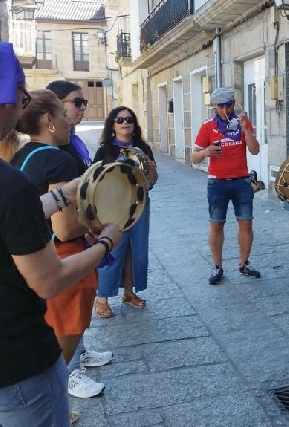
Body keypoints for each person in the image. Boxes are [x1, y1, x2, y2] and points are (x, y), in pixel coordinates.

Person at [0, 42, 121, 427]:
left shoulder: (17, 170)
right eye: (20, 95)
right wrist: (106, 242)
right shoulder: (11, 184)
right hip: (18, 365)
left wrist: (63, 193)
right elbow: (48, 280)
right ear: (6, 102)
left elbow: (11, 219)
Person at [11, 89, 111, 400]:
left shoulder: (22, 154)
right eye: (63, 112)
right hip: (64, 258)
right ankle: (55, 398)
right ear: (48, 120)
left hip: (32, 256)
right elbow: (65, 228)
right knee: (66, 338)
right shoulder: (57, 160)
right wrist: (107, 227)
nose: (70, 118)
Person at [191, 87, 261, 285]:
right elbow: (194, 158)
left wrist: (246, 128)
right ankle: (217, 267)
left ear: (234, 103)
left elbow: (254, 151)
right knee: (216, 224)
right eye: (220, 106)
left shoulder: (242, 123)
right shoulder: (207, 127)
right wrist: (206, 152)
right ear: (214, 106)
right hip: (217, 182)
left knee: (246, 222)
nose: (224, 110)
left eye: (228, 105)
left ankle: (244, 263)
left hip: (241, 181)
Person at [93, 107, 158, 318]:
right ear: (112, 124)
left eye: (129, 119)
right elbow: (95, 181)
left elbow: (152, 181)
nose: (124, 122)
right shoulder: (105, 151)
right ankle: (101, 298)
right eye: (119, 119)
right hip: (115, 208)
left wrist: (152, 170)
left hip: (139, 205)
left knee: (136, 251)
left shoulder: (142, 148)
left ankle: (129, 293)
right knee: (113, 249)